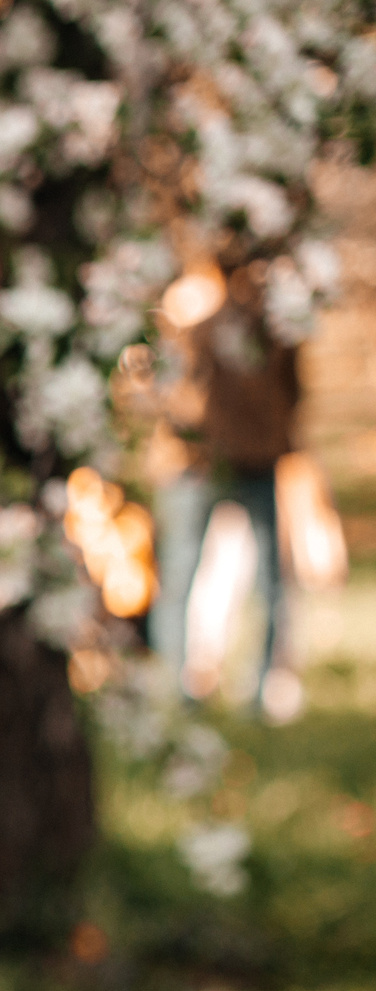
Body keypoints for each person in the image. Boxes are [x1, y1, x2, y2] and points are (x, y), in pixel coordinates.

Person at [147, 271, 299, 714]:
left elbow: (291, 391)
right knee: (180, 574)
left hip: (252, 457)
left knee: (269, 578)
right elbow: (174, 391)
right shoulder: (190, 321)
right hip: (194, 462)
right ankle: (173, 691)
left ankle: (261, 688)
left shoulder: (276, 328)